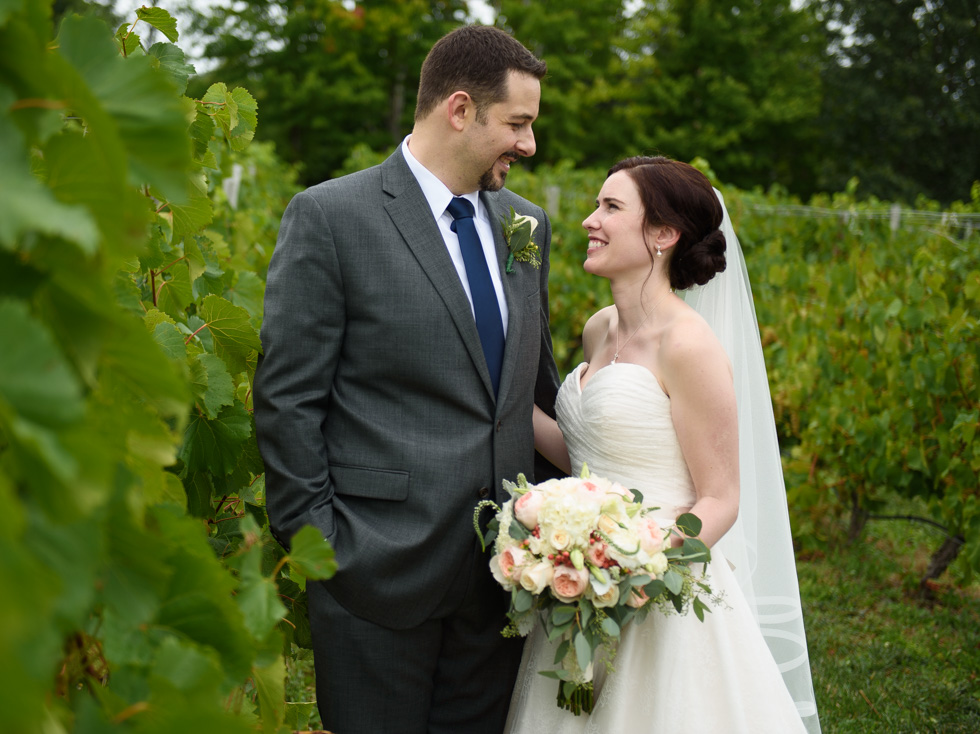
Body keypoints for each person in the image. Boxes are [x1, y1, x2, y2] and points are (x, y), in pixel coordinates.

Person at [254, 25, 561, 734]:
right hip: (375, 574)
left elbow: (532, 386)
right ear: (460, 109)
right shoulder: (333, 216)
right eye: (518, 123)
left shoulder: (526, 225)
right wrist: (324, 545)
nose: (529, 145)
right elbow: (287, 397)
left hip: (503, 581)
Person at [506, 156, 820, 733]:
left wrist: (633, 575)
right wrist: (496, 393)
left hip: (658, 596)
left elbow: (720, 499)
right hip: (582, 582)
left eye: (611, 207)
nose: (588, 220)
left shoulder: (689, 346)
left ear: (663, 235)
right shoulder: (601, 327)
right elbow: (582, 452)